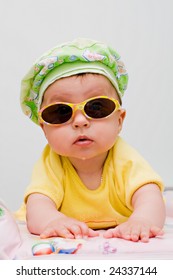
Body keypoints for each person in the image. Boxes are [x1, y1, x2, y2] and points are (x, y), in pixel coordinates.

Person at [16, 38, 166, 242]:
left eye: (96, 107)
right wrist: (52, 220)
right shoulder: (52, 163)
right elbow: (38, 205)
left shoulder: (124, 158)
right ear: (44, 127)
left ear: (119, 120)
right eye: (61, 112)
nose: (80, 121)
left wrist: (141, 219)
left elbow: (150, 196)